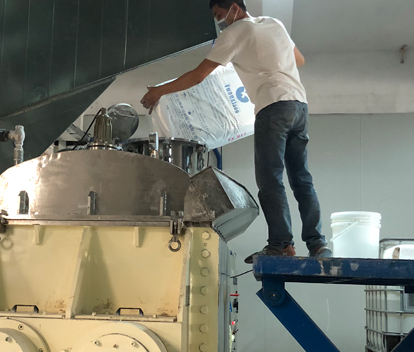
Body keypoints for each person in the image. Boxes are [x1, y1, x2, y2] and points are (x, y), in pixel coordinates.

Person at [141, 0, 331, 260]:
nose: (219, 21)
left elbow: (198, 76)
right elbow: (299, 59)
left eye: (219, 14)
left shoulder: (234, 33)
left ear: (234, 7)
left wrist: (158, 91)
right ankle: (318, 245)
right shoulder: (273, 23)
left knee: (270, 180)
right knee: (302, 179)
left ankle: (281, 245)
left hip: (272, 106)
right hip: (298, 106)